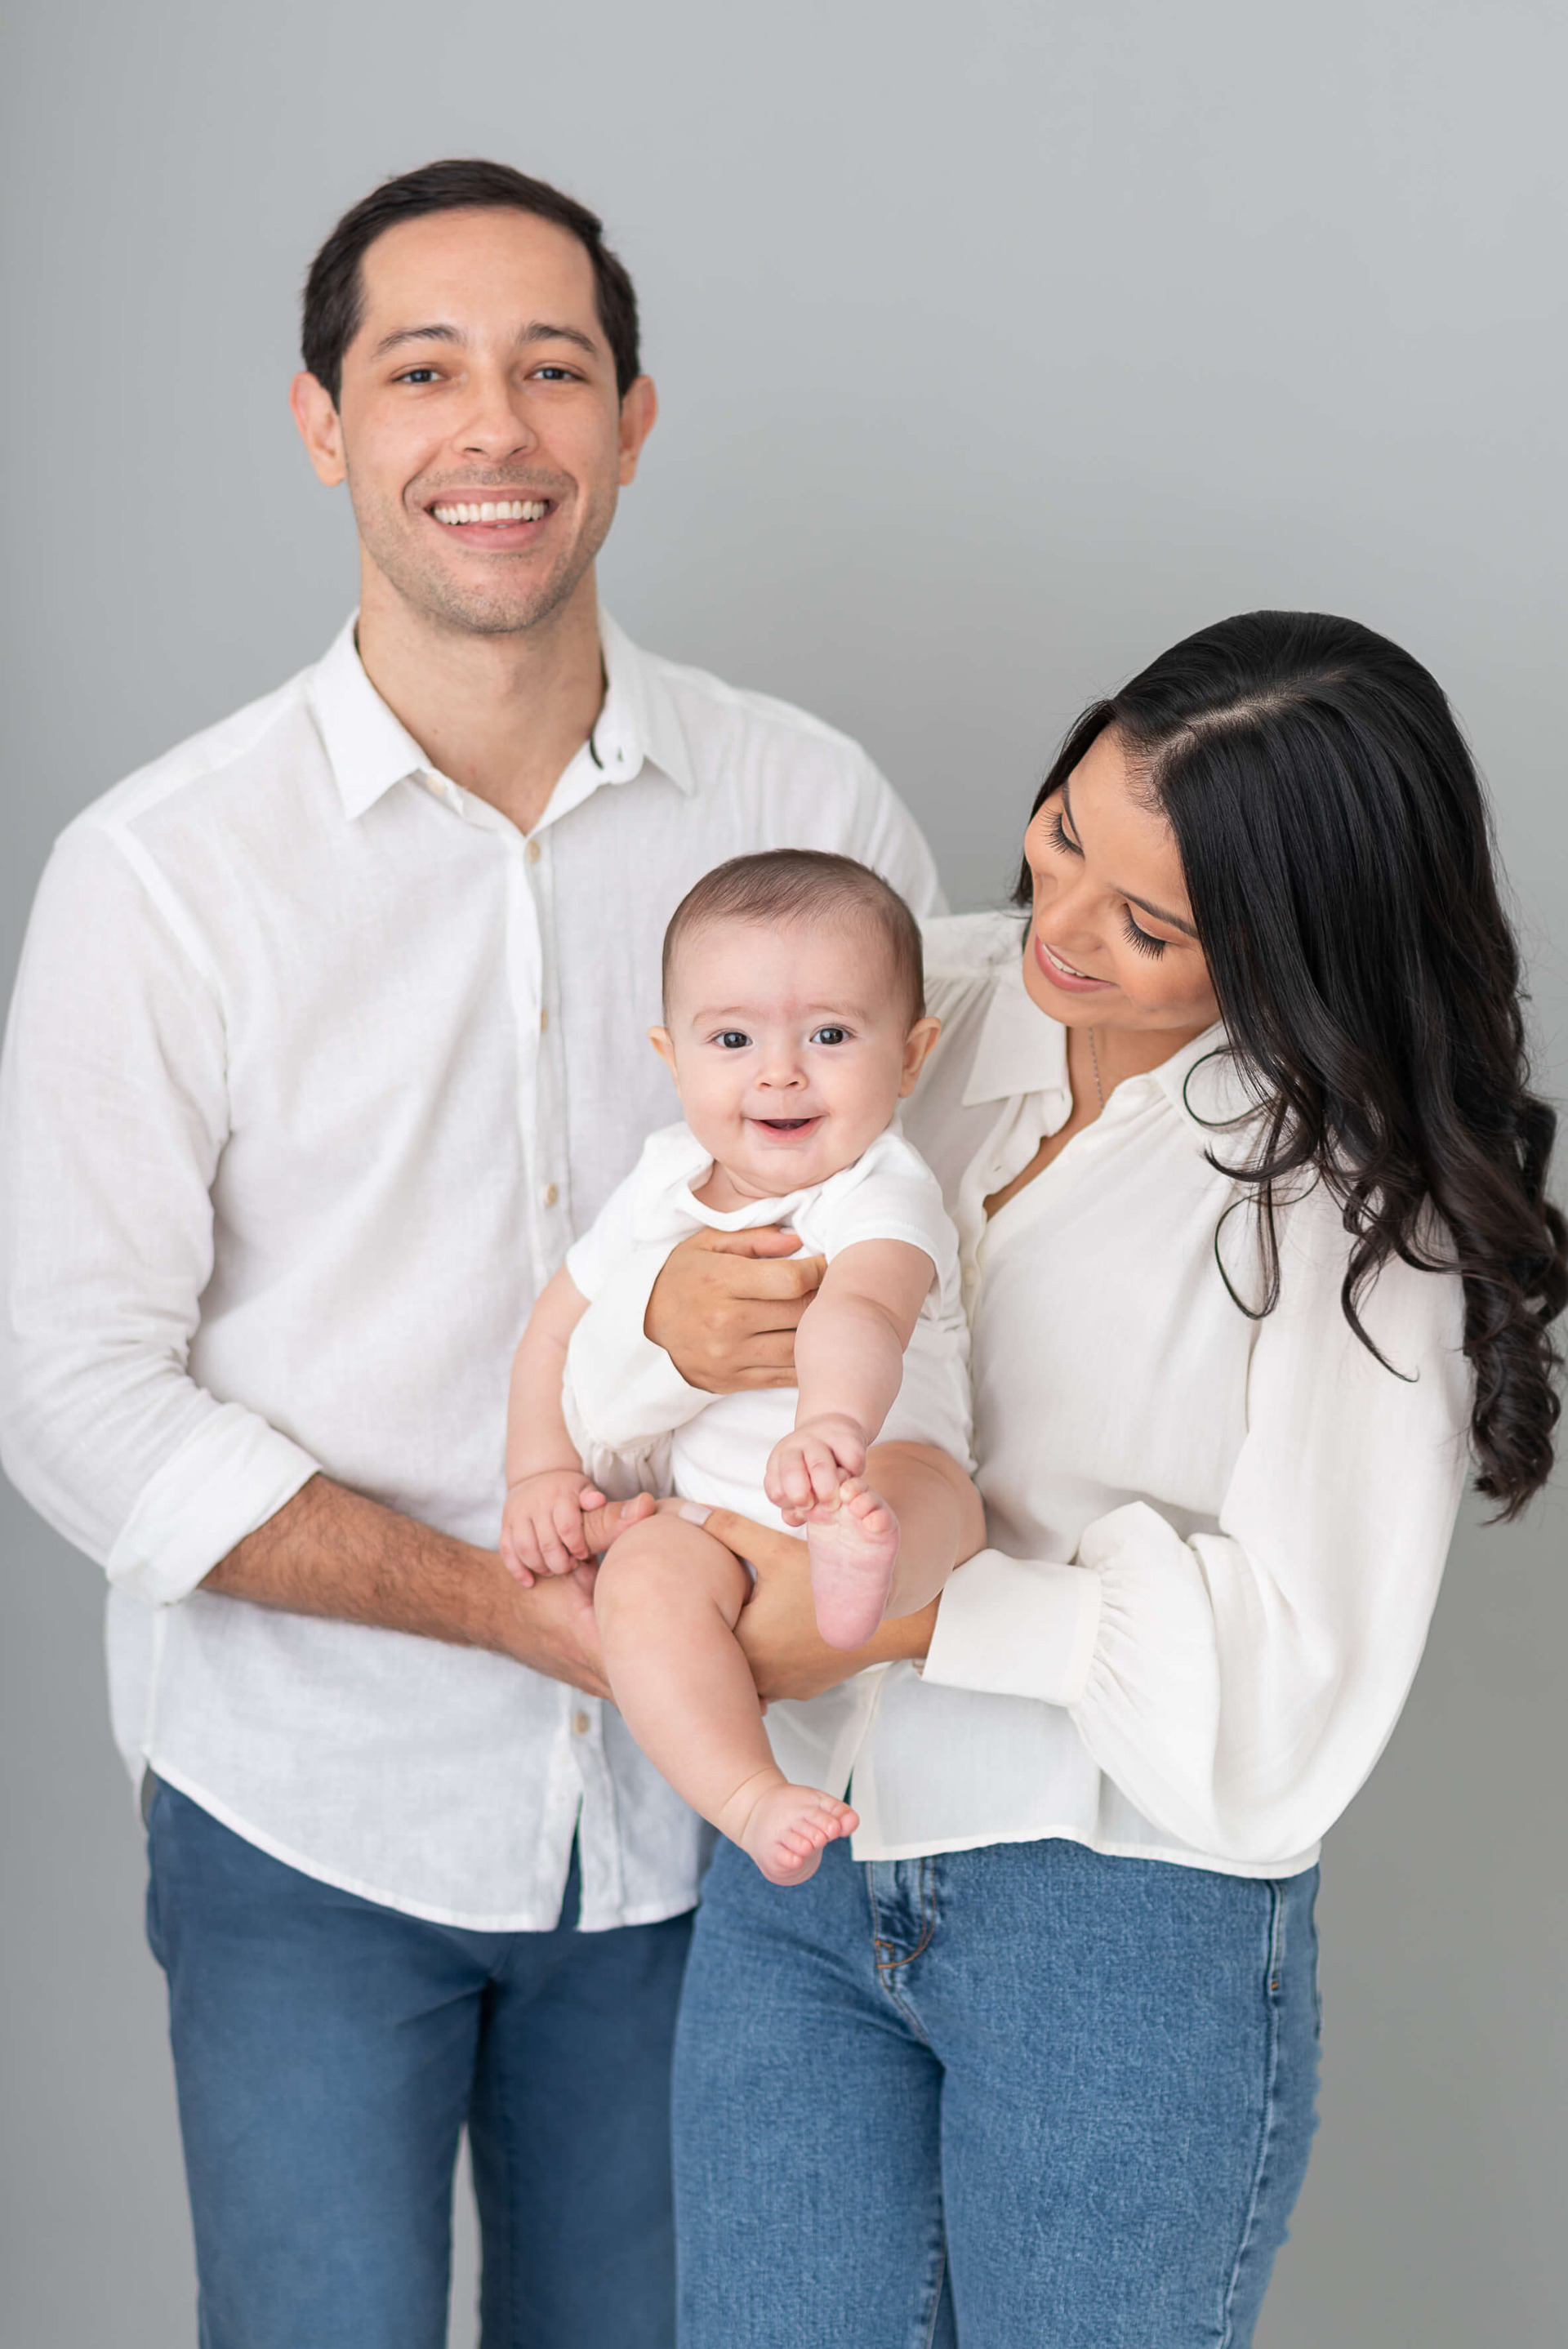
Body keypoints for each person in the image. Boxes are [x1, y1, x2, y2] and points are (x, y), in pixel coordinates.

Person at [0, 159, 942, 2349]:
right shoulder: (161, 874)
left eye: (551, 368)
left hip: (724, 1836)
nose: (492, 428)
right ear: (325, 421)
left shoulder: (814, 803)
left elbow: (950, 1268)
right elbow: (74, 1388)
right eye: (423, 369)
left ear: (632, 418)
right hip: (304, 1810)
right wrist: (527, 1623)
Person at [577, 610, 1567, 2346]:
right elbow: (605, 1314)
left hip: (1116, 1923)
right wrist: (663, 1321)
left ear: (1294, 945)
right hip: (799, 1875)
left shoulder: (1352, 1207)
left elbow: (1290, 1696)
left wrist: (910, 1623)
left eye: (1150, 922)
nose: (1061, 927)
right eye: (1066, 835)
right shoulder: (919, 1007)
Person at [503, 851, 982, 1884]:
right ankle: (749, 1792)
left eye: (830, 1035)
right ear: (672, 1058)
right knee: (640, 1585)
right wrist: (538, 1475)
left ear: (910, 1056)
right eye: (733, 1039)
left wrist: (834, 1427)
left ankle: (868, 1574)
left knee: (936, 1500)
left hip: (870, 1462)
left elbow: (864, 1307)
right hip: (705, 1522)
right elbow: (554, 1325)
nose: (780, 1071)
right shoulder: (660, 1179)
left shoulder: (877, 1187)